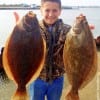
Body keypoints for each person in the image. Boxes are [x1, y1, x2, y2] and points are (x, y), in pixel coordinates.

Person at [29, 0, 71, 100]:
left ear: (60, 11)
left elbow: (78, 44)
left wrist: (85, 33)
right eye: (47, 10)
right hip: (37, 78)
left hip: (57, 79)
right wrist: (18, 31)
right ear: (41, 10)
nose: (51, 14)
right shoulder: (32, 28)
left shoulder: (68, 30)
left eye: (55, 10)